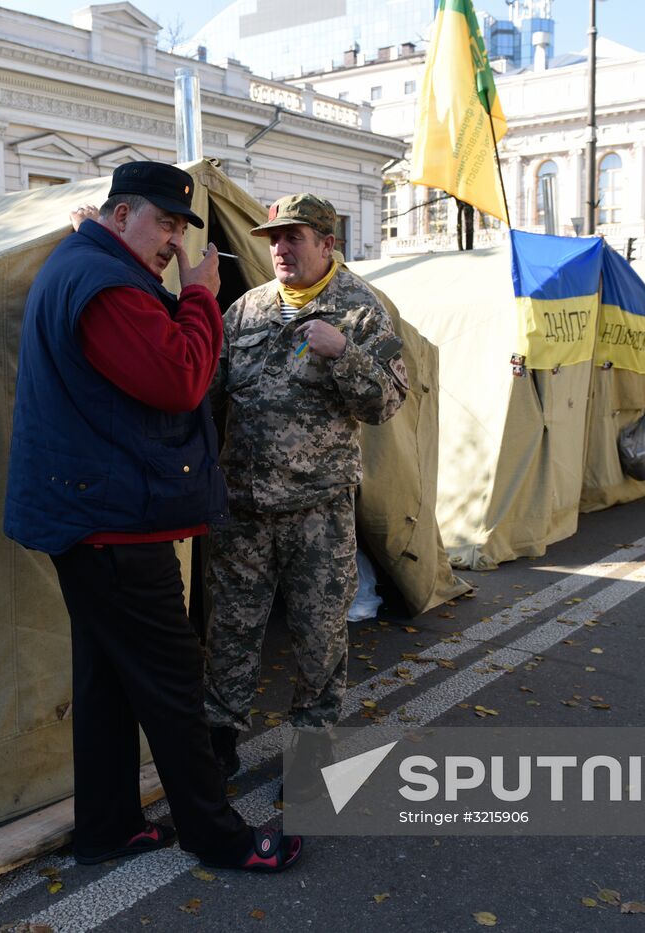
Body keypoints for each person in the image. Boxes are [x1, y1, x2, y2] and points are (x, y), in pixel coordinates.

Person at [4, 162, 301, 872]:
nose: (174, 240)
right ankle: (219, 836)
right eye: (164, 223)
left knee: (106, 681)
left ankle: (107, 828)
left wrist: (169, 287)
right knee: (173, 684)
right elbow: (179, 379)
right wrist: (199, 297)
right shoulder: (106, 284)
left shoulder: (91, 265)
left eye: (179, 227)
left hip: (92, 515)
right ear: (119, 216)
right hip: (114, 524)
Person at [203, 193, 409, 776]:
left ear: (327, 243)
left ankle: (312, 750)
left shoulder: (361, 310)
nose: (280, 249)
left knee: (319, 636)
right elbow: (210, 395)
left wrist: (343, 353)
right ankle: (219, 740)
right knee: (231, 627)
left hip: (317, 510)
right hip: (244, 506)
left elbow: (387, 403)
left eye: (294, 237)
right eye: (274, 238)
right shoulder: (246, 310)